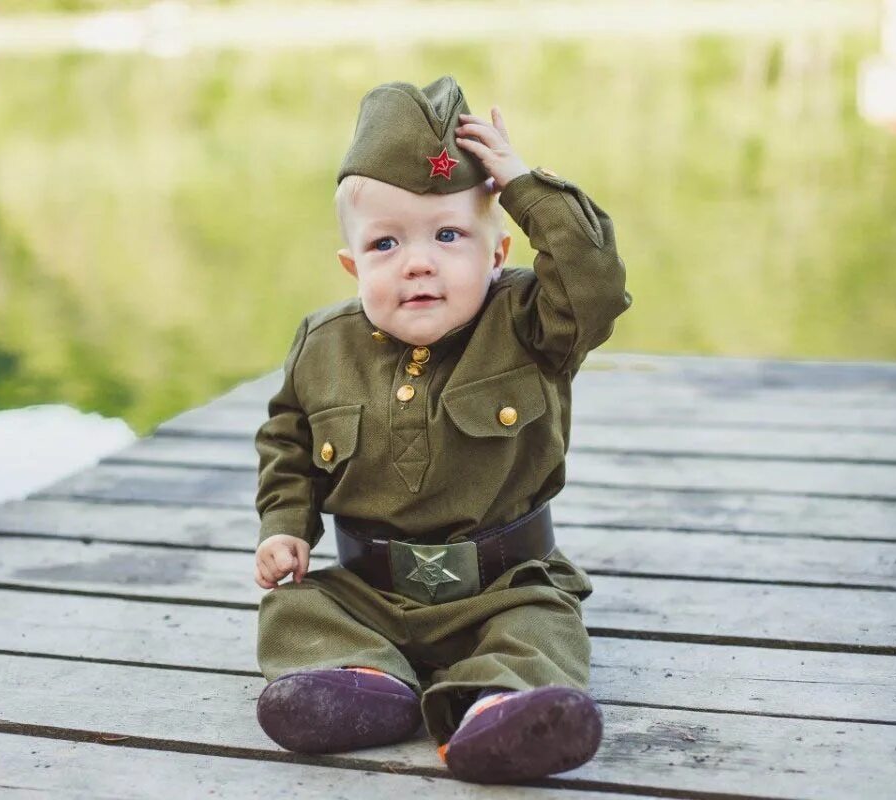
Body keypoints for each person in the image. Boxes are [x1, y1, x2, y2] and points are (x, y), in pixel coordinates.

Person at [251, 74, 632, 784]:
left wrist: (522, 183)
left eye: (449, 235)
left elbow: (597, 283)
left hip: (504, 582)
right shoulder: (323, 345)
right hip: (368, 588)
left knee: (542, 625)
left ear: (497, 253)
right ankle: (366, 684)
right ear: (352, 264)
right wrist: (285, 528)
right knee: (295, 608)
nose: (419, 261)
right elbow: (288, 443)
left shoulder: (530, 324)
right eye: (386, 243)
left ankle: (500, 709)